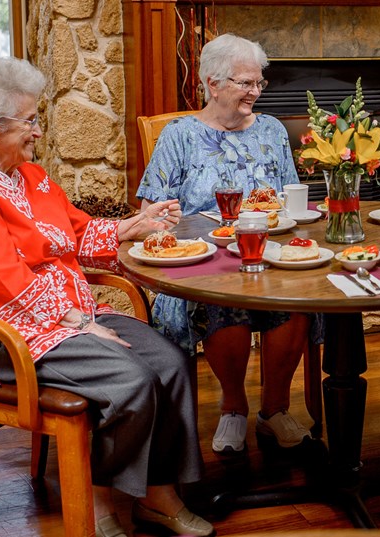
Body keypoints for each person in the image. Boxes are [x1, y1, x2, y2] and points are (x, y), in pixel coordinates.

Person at [0, 57, 212, 537]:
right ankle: (98, 499)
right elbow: (4, 284)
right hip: (14, 335)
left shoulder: (32, 179)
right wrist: (80, 323)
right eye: (30, 121)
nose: (38, 131)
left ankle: (159, 496)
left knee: (172, 361)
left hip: (75, 314)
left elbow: (78, 234)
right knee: (131, 380)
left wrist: (132, 226)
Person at [137, 33, 313, 455]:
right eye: (245, 84)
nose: (255, 92)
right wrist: (175, 225)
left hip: (269, 252)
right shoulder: (179, 135)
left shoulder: (271, 130)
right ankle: (234, 407)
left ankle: (274, 410)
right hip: (204, 261)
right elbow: (150, 212)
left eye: (259, 84)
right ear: (213, 84)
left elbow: (290, 198)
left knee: (299, 292)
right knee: (223, 299)